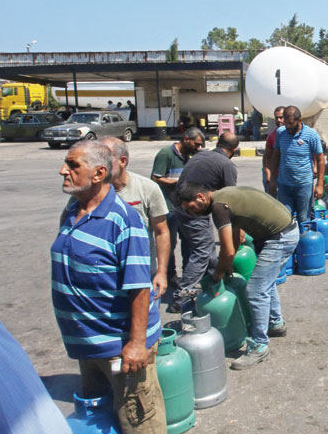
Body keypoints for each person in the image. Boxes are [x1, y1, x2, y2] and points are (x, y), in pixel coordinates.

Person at [52, 140, 165, 433]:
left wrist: (137, 345)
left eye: (73, 165)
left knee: (137, 421)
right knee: (102, 422)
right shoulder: (73, 210)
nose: (63, 170)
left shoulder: (123, 221)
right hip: (88, 345)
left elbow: (139, 288)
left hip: (120, 347)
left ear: (99, 173)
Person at [178, 183, 299, 370]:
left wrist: (218, 273)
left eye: (191, 207)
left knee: (256, 290)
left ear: (201, 197)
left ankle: (259, 345)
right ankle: (275, 323)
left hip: (280, 237)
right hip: (284, 231)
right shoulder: (224, 195)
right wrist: (228, 262)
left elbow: (226, 252)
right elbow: (234, 235)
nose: (192, 213)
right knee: (264, 282)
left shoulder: (219, 208)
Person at [170, 132, 239, 313]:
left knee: (194, 248)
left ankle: (211, 285)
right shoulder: (226, 165)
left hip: (180, 205)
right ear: (234, 150)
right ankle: (181, 296)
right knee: (202, 251)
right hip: (194, 208)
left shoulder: (201, 155)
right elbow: (231, 198)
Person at [102, 137, 171, 307]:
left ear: (122, 161)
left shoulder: (147, 188)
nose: (98, 164)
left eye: (104, 158)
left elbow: (162, 232)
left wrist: (162, 272)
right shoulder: (90, 191)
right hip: (103, 277)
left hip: (143, 274)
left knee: (145, 322)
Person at [151, 127, 204, 288]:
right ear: (186, 139)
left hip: (184, 208)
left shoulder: (188, 156)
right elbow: (156, 178)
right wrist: (177, 182)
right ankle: (169, 275)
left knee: (188, 241)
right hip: (168, 207)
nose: (198, 148)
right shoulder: (166, 154)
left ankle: (188, 275)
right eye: (196, 144)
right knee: (169, 243)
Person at [269, 106, 325, 224]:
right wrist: (273, 179)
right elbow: (275, 156)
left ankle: (304, 236)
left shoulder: (311, 135)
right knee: (285, 220)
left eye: (290, 123)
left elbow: (320, 160)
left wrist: (320, 184)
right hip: (284, 185)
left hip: (304, 185)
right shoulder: (280, 133)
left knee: (304, 219)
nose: (287, 127)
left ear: (299, 120)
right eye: (286, 123)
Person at [263, 106, 285, 194]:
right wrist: (269, 176)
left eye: (281, 117)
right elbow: (266, 157)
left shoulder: (296, 134)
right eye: (276, 118)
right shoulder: (272, 136)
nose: (279, 120)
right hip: (275, 175)